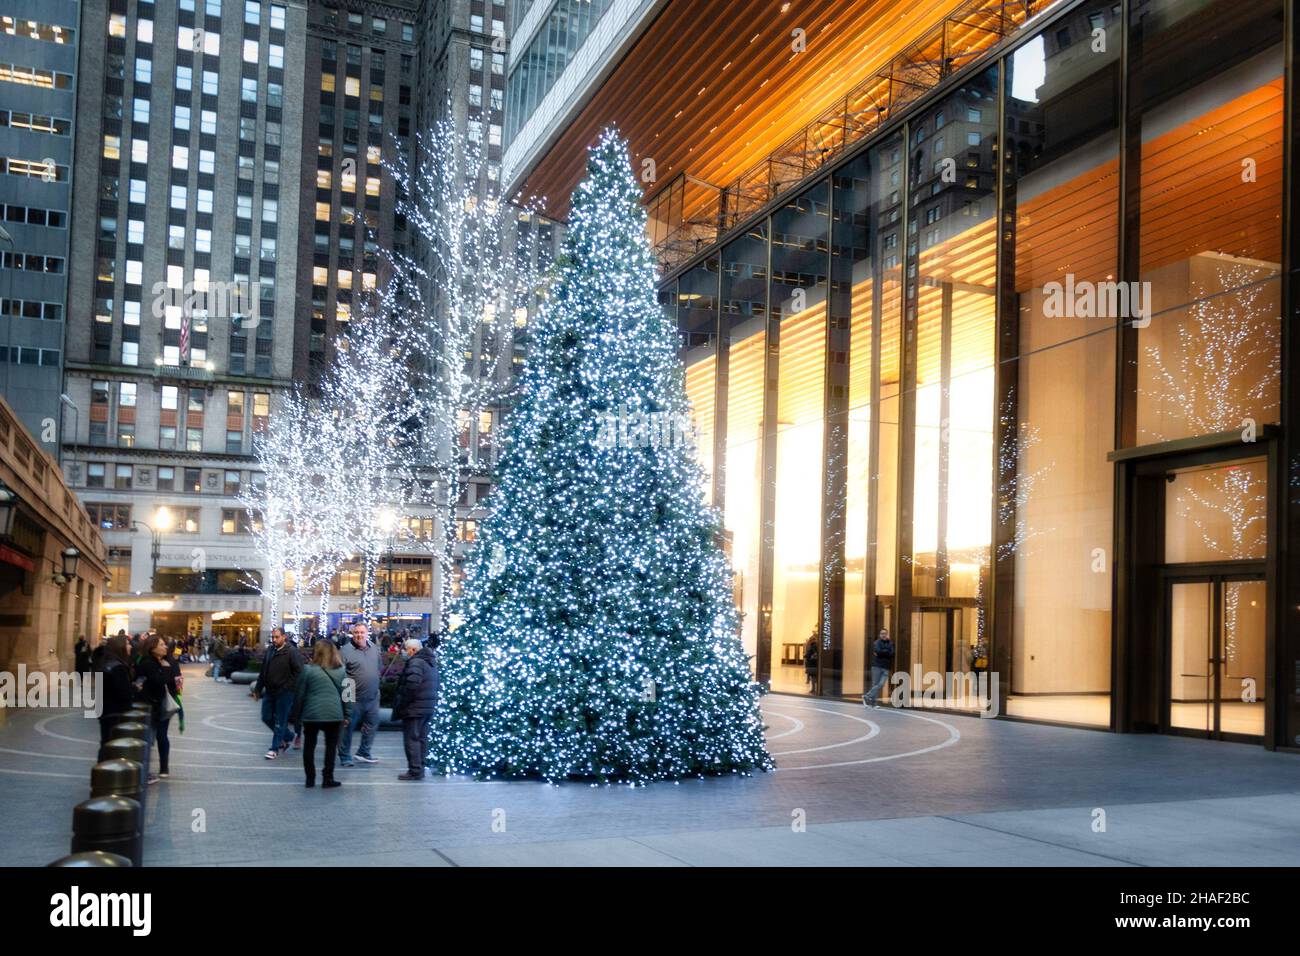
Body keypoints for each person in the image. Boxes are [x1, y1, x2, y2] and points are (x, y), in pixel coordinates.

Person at [290, 641, 351, 789]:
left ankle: (310, 779)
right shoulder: (342, 671)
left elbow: (299, 694)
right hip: (334, 714)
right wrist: (348, 714)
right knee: (331, 747)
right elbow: (349, 695)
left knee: (309, 746)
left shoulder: (307, 670)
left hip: (312, 715)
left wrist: (296, 716)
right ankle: (328, 778)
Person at [251, 626, 302, 759]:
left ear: (284, 637)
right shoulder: (270, 650)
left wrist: (288, 687)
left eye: (277, 637)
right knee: (266, 717)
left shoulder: (292, 652)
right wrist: (257, 689)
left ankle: (274, 748)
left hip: (285, 693)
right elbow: (263, 671)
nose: (274, 640)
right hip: (270, 691)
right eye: (273, 637)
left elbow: (299, 672)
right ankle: (290, 736)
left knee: (280, 721)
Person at [392, 636, 439, 781]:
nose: (405, 653)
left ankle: (415, 770)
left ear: (413, 650)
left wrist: (403, 702)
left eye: (406, 650)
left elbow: (412, 685)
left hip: (415, 708)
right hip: (427, 707)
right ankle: (420, 766)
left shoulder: (416, 662)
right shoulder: (430, 662)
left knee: (412, 739)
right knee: (422, 738)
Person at [135, 635, 181, 782]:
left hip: (164, 704)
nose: (165, 647)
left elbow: (177, 683)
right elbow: (158, 682)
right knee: (149, 738)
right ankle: (145, 772)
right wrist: (165, 670)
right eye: (161, 644)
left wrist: (175, 688)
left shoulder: (171, 662)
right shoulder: (147, 662)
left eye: (165, 644)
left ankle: (164, 767)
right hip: (151, 705)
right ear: (152, 648)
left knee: (162, 735)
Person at [337, 621, 381, 767]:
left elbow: (378, 668)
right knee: (347, 727)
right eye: (356, 633)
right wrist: (345, 698)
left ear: (367, 633)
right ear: (352, 634)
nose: (359, 635)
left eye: (362, 632)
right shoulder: (345, 651)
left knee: (372, 725)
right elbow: (340, 675)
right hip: (352, 697)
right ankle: (344, 756)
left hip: (373, 697)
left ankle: (364, 752)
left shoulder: (374, 648)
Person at [95, 635, 135, 744]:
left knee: (106, 743)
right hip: (115, 714)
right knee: (113, 746)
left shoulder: (104, 664)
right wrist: (134, 688)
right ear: (120, 647)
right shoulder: (118, 668)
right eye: (127, 644)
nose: (130, 646)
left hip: (105, 712)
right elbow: (124, 693)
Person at [862, 629, 895, 708]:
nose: (883, 635)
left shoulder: (891, 643)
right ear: (880, 635)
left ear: (887, 634)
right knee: (875, 684)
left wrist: (882, 652)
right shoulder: (876, 643)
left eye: (885, 633)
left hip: (886, 667)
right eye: (882, 633)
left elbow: (892, 653)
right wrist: (886, 651)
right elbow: (878, 651)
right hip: (876, 666)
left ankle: (866, 696)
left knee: (881, 684)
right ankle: (874, 704)